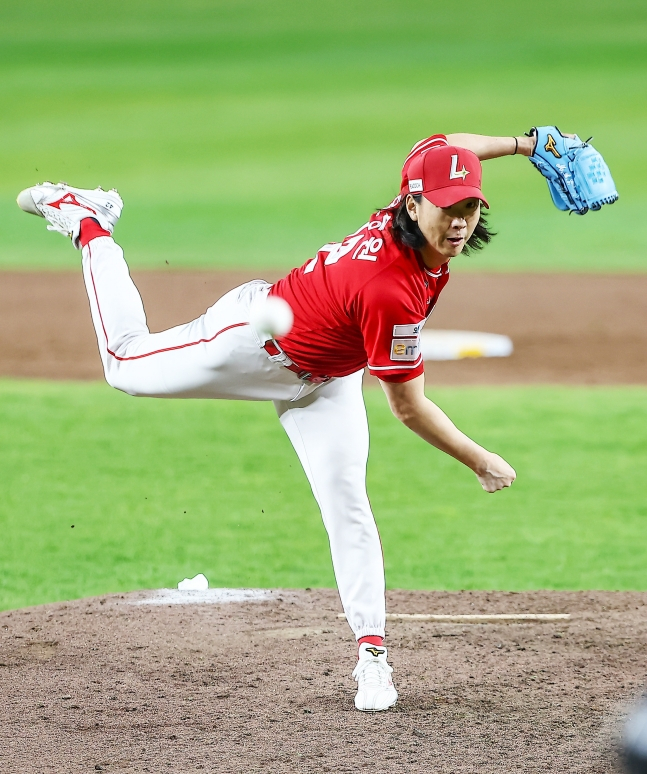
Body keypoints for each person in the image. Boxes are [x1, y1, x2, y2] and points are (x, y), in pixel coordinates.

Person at [17, 130, 530, 712]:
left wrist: (526, 145)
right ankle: (88, 222)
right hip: (250, 343)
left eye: (469, 206)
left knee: (347, 503)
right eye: (449, 207)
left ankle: (373, 657)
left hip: (328, 375)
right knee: (122, 365)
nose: (460, 220)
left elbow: (448, 144)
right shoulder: (391, 289)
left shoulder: (414, 213)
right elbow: (407, 406)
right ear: (413, 205)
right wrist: (480, 460)